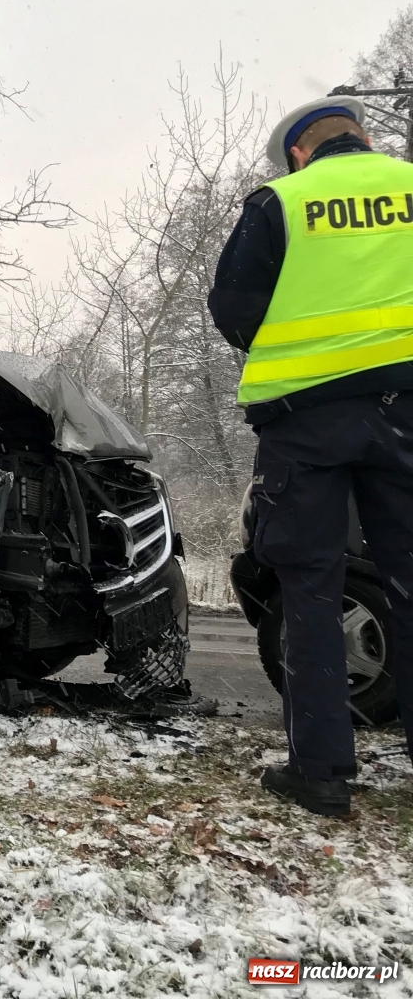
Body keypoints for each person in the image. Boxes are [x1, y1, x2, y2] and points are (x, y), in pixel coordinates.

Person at [208, 96, 413, 817]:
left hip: (308, 420)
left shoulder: (281, 203)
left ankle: (321, 771)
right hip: (409, 411)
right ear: (363, 137)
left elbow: (233, 308)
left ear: (298, 152)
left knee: (313, 588)